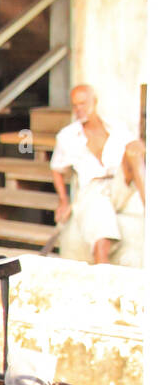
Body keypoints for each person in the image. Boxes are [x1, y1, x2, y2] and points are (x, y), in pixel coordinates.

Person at [50, 84, 146, 264]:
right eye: (75, 105)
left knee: (134, 148)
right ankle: (102, 276)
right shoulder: (68, 136)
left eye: (83, 104)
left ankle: (151, 206)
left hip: (118, 183)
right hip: (92, 189)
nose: (79, 109)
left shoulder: (115, 127)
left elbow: (136, 149)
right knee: (102, 235)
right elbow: (56, 169)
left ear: (94, 102)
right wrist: (63, 200)